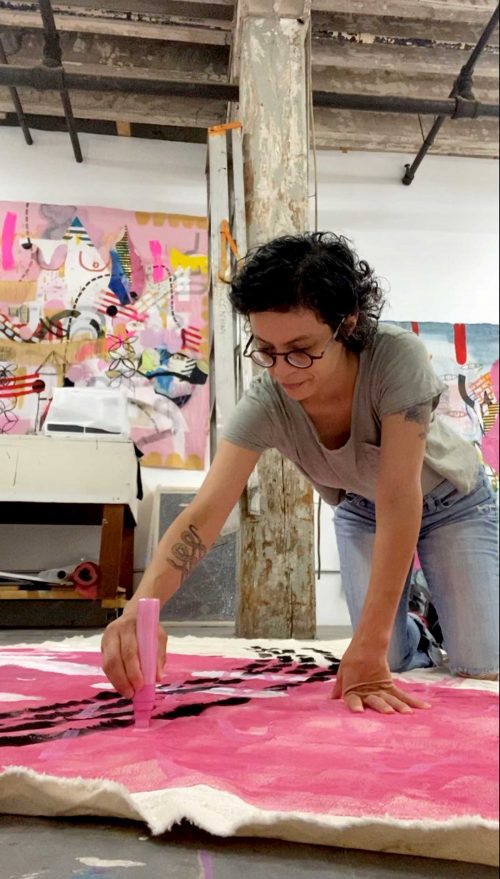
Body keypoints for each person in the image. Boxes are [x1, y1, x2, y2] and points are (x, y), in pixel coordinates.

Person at [101, 232, 499, 714]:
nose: (284, 370)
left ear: (346, 322)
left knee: (481, 663)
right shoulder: (266, 402)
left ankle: (438, 607)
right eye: (266, 350)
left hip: (451, 503)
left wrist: (368, 643)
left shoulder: (397, 358)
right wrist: (142, 607)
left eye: (302, 349)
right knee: (390, 658)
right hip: (362, 510)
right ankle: (414, 614)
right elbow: (204, 515)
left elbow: (400, 495)